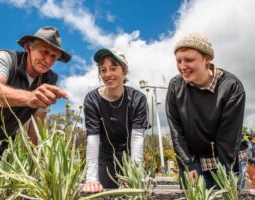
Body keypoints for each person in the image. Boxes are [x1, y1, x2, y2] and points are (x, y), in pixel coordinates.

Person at [0, 26, 71, 180]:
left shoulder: (49, 79)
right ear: (29, 47)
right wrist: (30, 98)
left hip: (0, 143)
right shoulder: (5, 58)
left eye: (53, 56)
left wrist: (33, 158)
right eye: (44, 52)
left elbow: (38, 123)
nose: (48, 60)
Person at [166, 33, 245, 189]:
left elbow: (228, 138)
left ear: (207, 58)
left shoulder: (231, 87)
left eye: (189, 60)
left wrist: (226, 176)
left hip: (226, 160)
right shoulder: (175, 86)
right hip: (193, 160)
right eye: (178, 61)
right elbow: (176, 130)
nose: (182, 66)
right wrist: (187, 164)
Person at [82, 48, 148, 192]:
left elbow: (137, 138)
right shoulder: (92, 99)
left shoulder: (138, 99)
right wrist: (91, 178)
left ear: (124, 71)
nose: (108, 74)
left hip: (129, 156)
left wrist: (136, 175)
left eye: (113, 68)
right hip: (105, 157)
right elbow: (93, 138)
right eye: (103, 70)